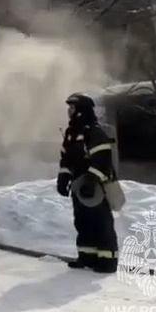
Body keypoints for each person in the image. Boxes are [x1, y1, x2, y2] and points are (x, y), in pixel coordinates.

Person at [57, 92, 119, 273]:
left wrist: (92, 180)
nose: (69, 110)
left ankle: (107, 261)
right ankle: (87, 257)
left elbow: (102, 159)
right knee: (83, 221)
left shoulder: (93, 132)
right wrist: (63, 177)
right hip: (79, 184)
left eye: (72, 107)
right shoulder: (71, 133)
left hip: (96, 185)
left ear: (81, 110)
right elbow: (66, 159)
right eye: (69, 107)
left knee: (100, 222)